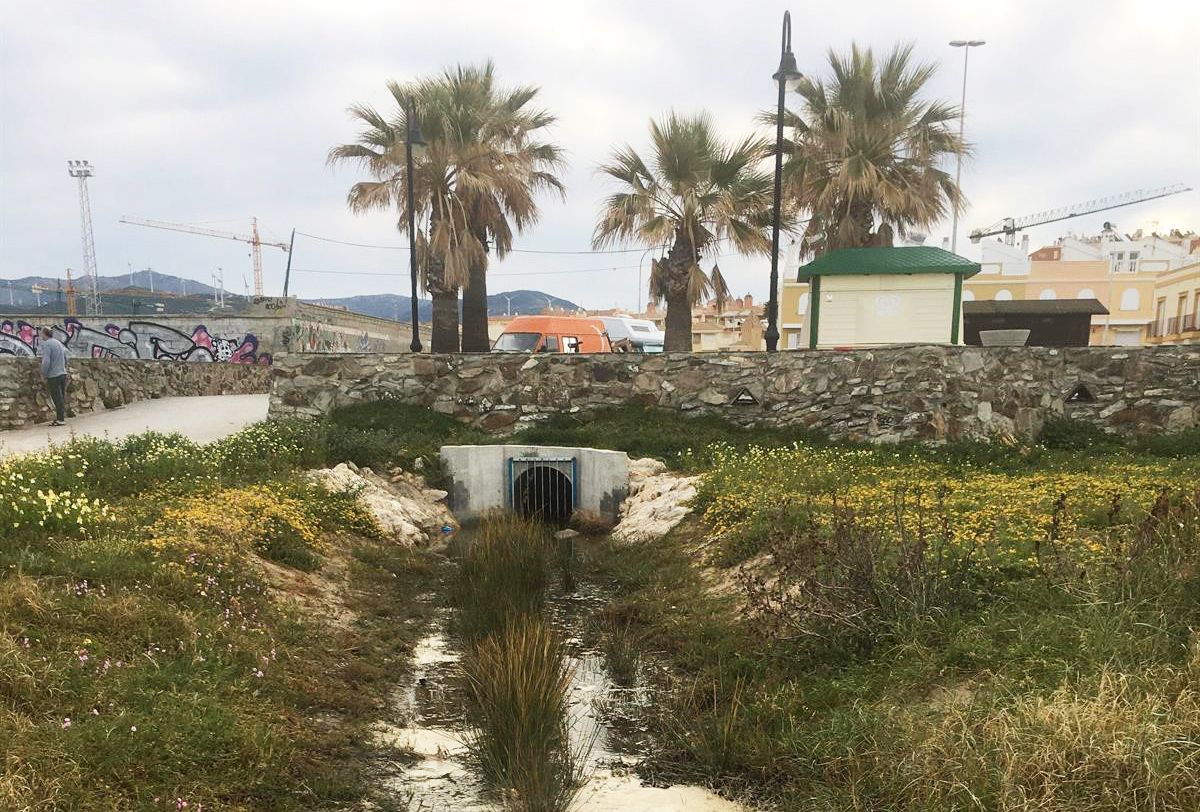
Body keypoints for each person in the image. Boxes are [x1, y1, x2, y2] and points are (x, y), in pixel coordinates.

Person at [38, 326, 69, 426]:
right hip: (62, 373)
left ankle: (60, 419)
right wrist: (64, 367)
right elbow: (65, 357)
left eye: (41, 333)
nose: (40, 335)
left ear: (45, 334)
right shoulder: (58, 343)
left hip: (53, 375)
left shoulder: (47, 344)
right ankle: (61, 417)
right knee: (61, 396)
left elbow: (46, 360)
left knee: (56, 397)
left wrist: (44, 374)